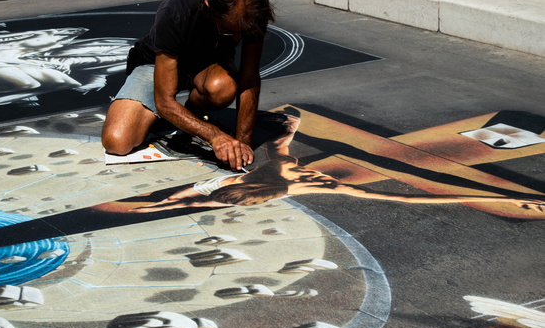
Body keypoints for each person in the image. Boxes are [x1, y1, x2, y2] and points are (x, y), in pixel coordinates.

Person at [133, 113, 545, 217]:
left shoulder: (285, 173)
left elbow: (199, 195)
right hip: (244, 184)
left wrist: (291, 124)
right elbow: (418, 201)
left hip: (235, 184)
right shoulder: (295, 182)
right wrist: (511, 199)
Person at [101, 0, 275, 171]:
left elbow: (249, 77)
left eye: (242, 33)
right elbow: (164, 102)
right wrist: (215, 135)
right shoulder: (176, 11)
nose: (237, 39)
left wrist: (242, 143)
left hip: (206, 67)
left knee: (223, 88)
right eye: (229, 31)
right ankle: (176, 119)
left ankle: (193, 112)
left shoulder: (252, 12)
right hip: (156, 66)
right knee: (117, 142)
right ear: (209, 9)